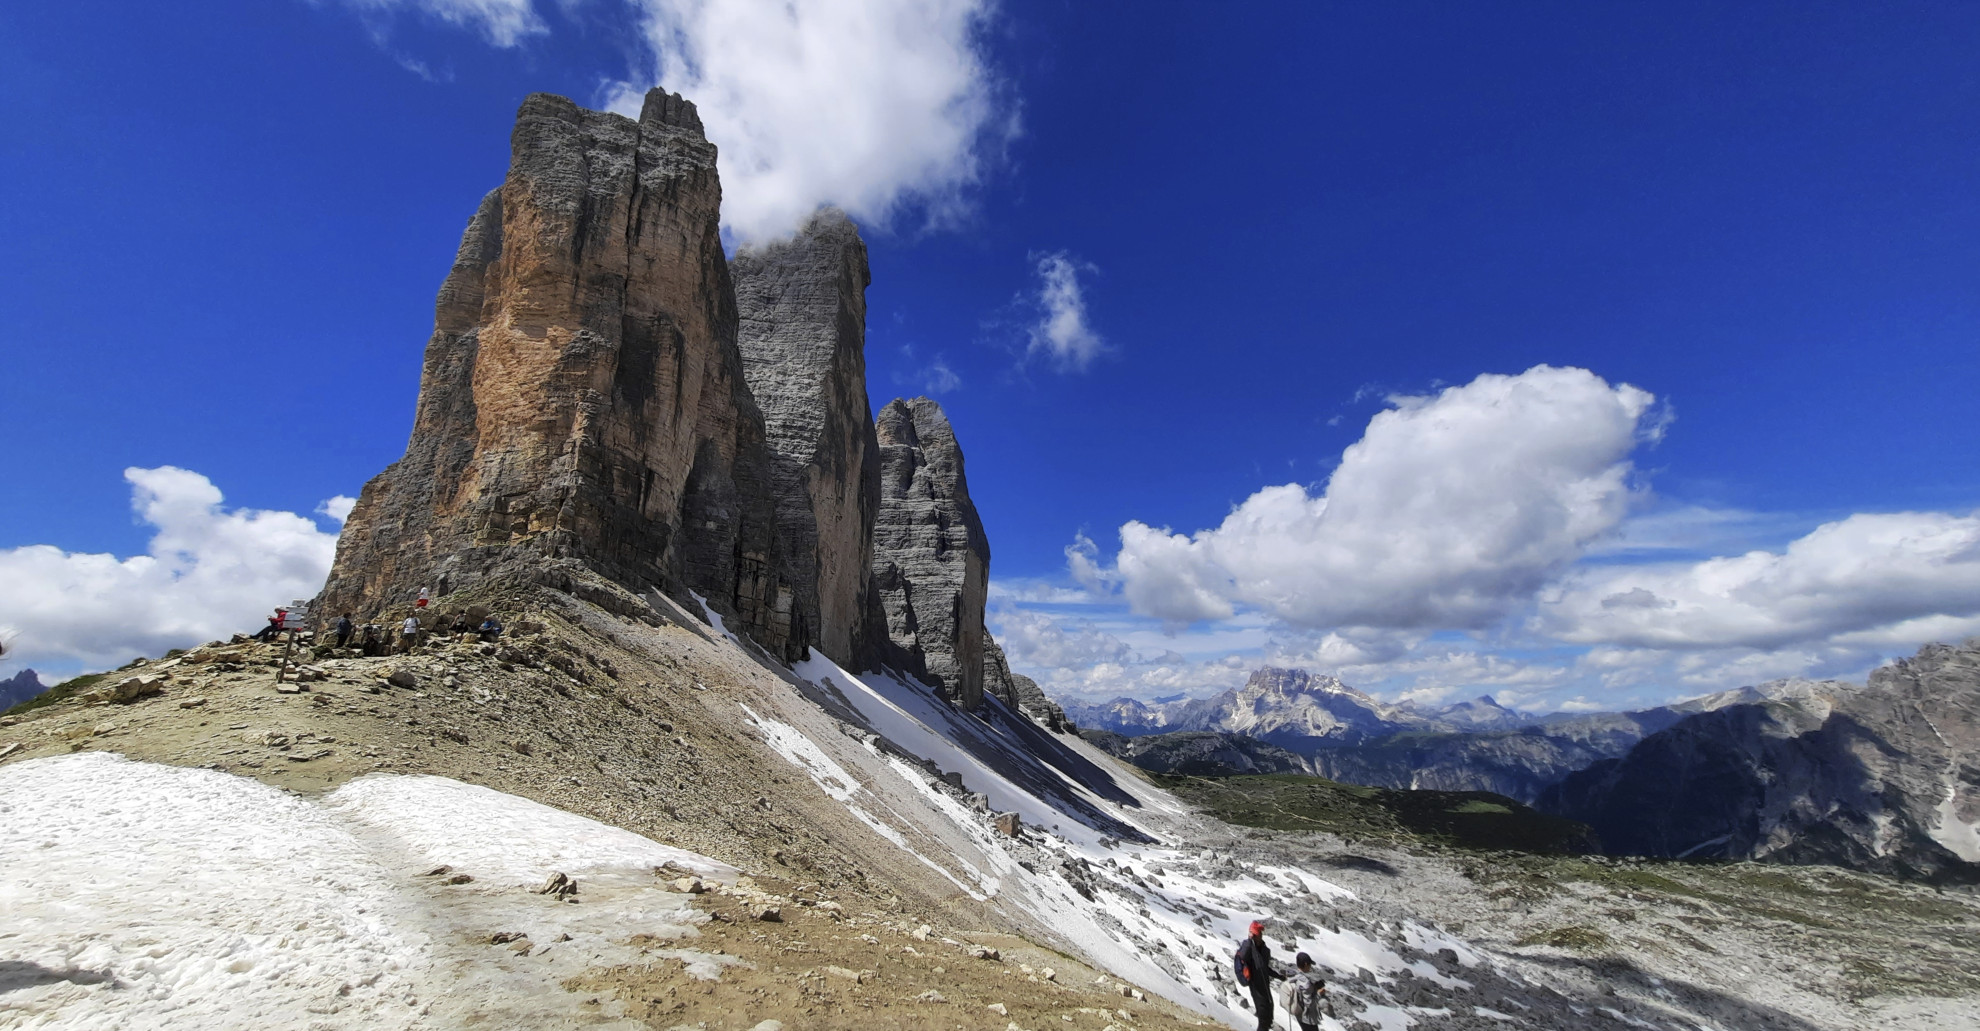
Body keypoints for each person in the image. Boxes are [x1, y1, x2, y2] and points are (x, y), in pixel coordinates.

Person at [1233, 920, 1281, 1031]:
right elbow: (1243, 956)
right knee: (1263, 1019)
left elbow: (1265, 968)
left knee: (1268, 1018)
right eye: (1257, 934)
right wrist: (1250, 940)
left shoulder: (1264, 950)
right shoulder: (1248, 947)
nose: (1259, 936)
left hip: (1265, 987)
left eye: (1259, 934)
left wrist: (1279, 976)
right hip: (1256, 987)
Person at [1283, 952, 1328, 1031]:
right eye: (1310, 964)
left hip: (1299, 1014)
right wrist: (1318, 993)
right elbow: (1308, 1003)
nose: (1310, 967)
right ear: (1306, 964)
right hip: (1307, 1018)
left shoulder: (1294, 976)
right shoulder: (1304, 982)